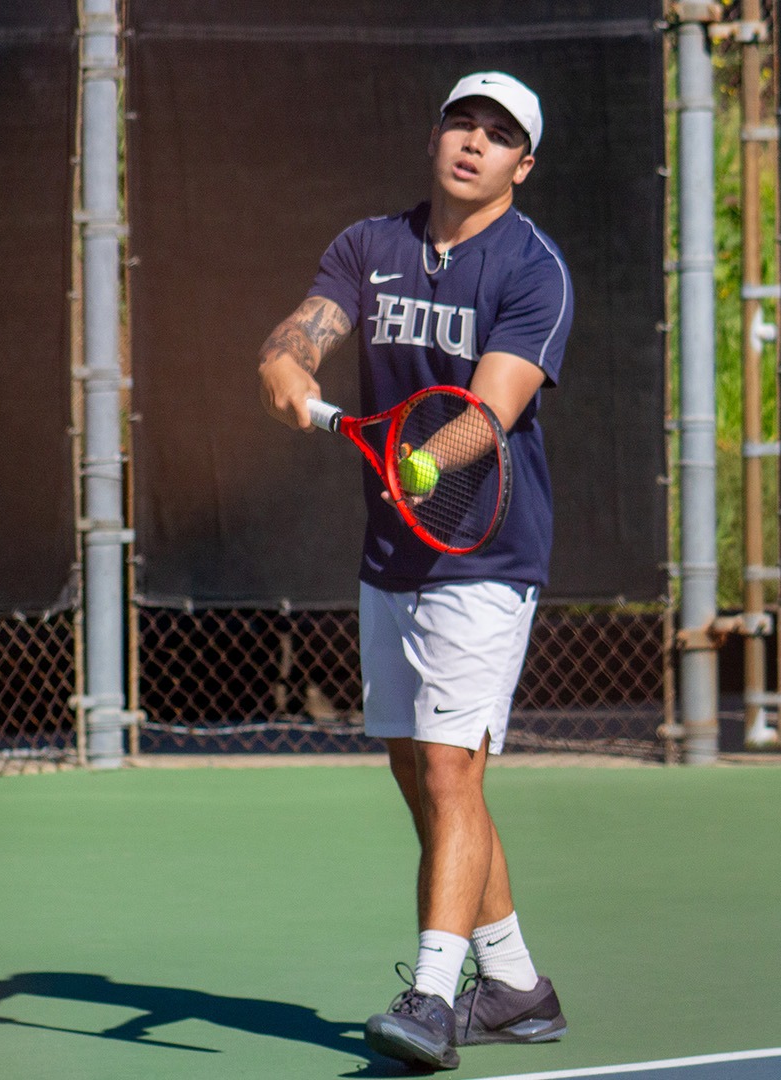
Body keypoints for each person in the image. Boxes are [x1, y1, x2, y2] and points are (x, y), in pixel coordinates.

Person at [256, 71, 572, 1072]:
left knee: (452, 767)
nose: (472, 142)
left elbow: (493, 410)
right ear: (436, 137)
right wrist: (287, 369)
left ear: (524, 163)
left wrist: (425, 459)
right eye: (460, 123)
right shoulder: (370, 246)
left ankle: (433, 998)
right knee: (418, 767)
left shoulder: (534, 271)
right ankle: (516, 985)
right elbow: (301, 331)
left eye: (498, 134)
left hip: (487, 550)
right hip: (390, 552)